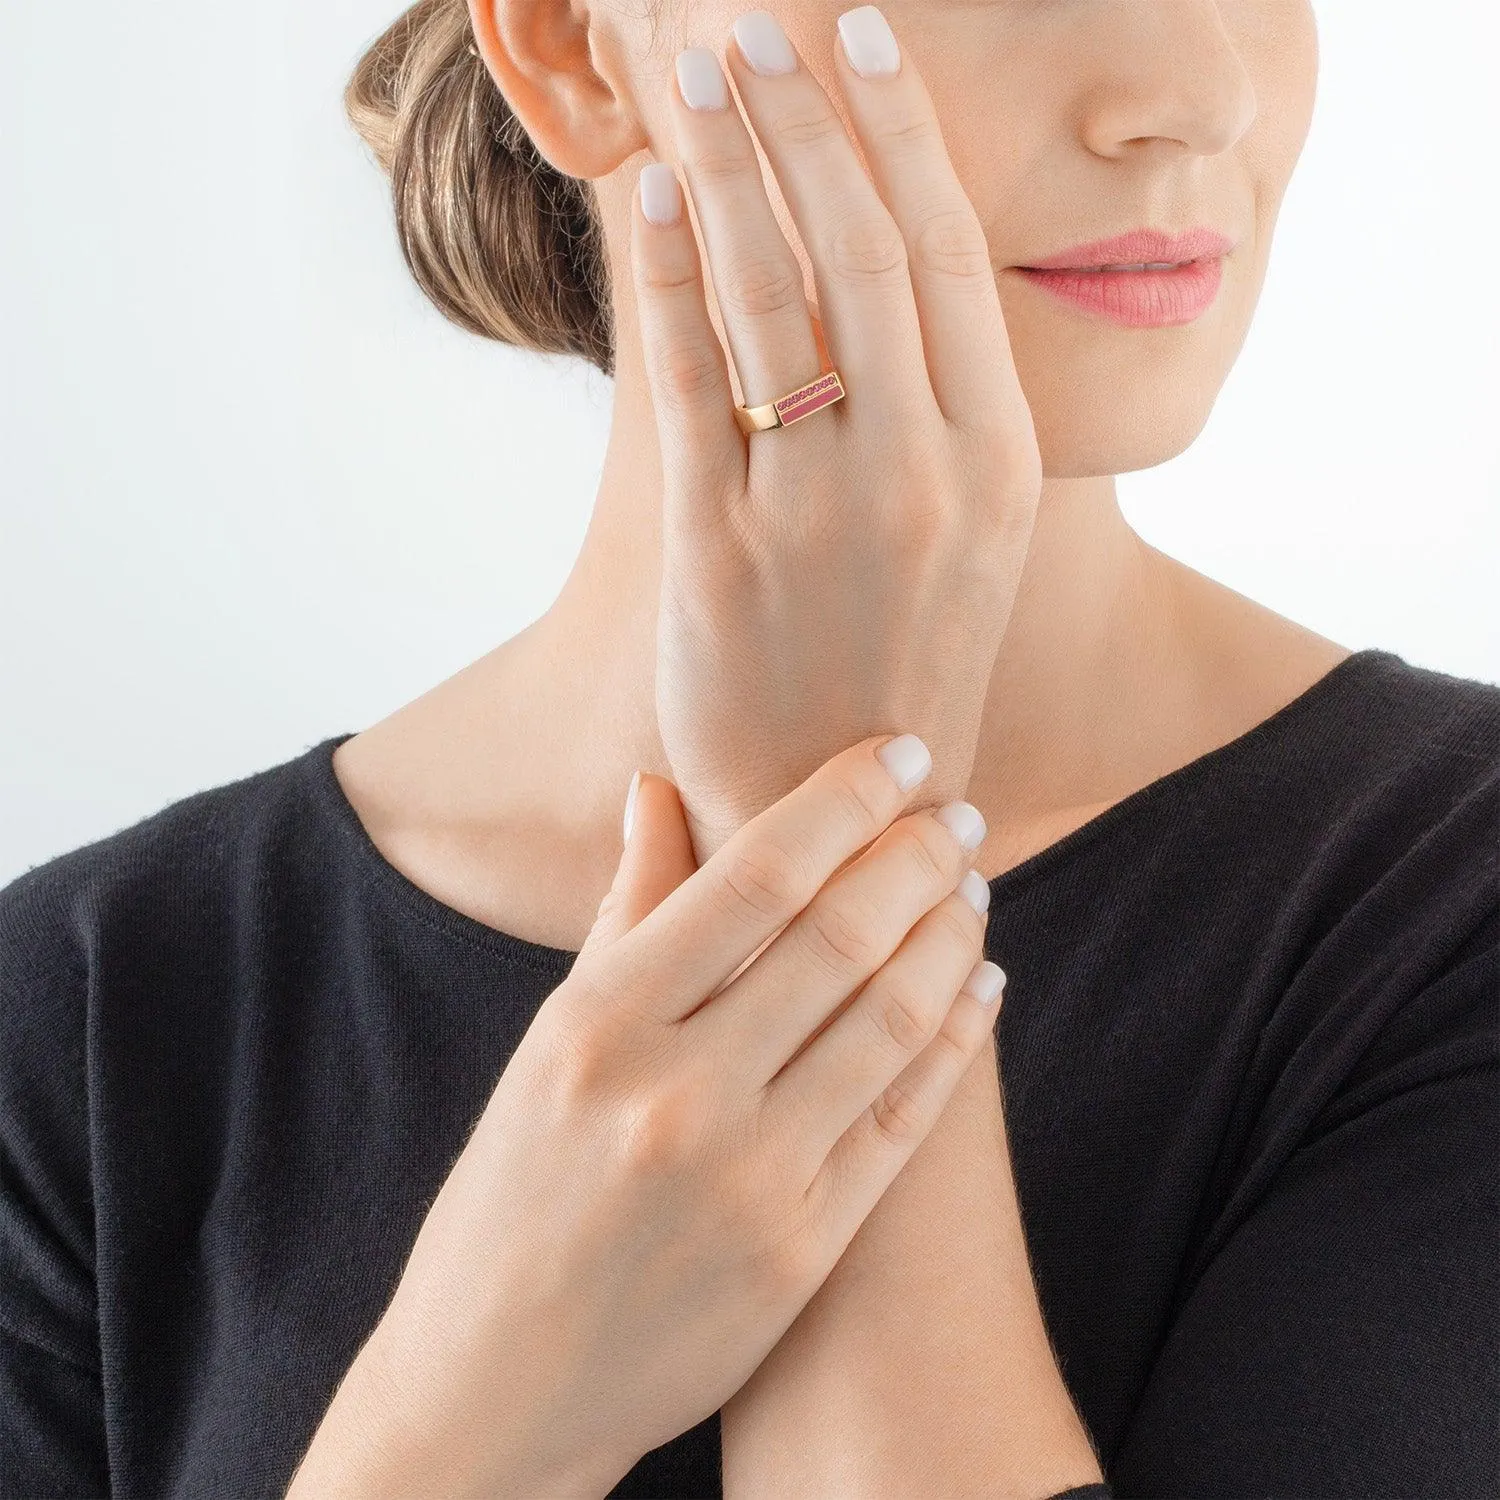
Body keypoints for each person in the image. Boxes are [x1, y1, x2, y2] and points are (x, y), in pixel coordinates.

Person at [1, 1, 1495, 1496]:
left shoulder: (1454, 907)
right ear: (574, 49)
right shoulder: (75, 1020)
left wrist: (833, 783)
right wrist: (489, 1401)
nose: (1194, 92)